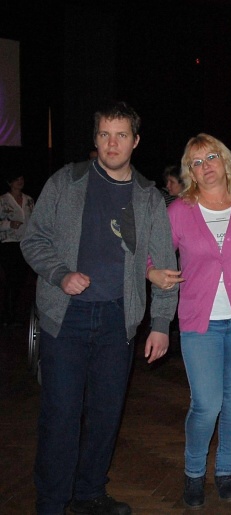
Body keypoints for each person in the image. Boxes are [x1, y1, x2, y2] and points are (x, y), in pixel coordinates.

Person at [21, 101, 178, 515]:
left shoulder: (148, 197)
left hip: (117, 320)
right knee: (60, 415)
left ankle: (89, 493)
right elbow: (33, 239)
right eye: (105, 134)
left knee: (107, 415)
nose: (112, 143)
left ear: (135, 141)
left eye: (121, 135)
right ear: (95, 139)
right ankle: (52, 502)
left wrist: (160, 323)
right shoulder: (66, 181)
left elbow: (165, 266)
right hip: (65, 318)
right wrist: (60, 274)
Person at [147, 133, 231, 509]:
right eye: (196, 162)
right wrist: (152, 271)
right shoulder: (178, 212)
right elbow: (150, 253)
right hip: (199, 322)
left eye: (210, 158)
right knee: (206, 404)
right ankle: (193, 474)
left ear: (225, 162)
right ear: (190, 172)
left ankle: (224, 471)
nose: (205, 167)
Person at [0, 171, 35, 325]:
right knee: (12, 279)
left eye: (21, 178)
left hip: (26, 243)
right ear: (10, 182)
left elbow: (35, 220)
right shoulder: (2, 200)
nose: (20, 182)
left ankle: (16, 313)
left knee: (22, 279)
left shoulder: (29, 200)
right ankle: (8, 315)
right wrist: (9, 224)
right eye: (16, 179)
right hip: (9, 244)